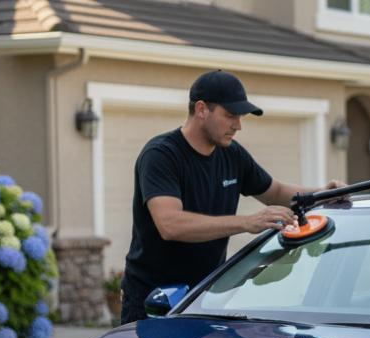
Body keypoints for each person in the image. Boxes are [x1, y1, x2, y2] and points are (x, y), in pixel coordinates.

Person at [119, 70, 346, 324]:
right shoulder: (161, 155)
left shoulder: (232, 154)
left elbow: (277, 191)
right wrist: (247, 222)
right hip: (153, 302)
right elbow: (170, 224)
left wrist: (323, 194)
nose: (238, 125)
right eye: (230, 116)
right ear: (202, 109)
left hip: (205, 298)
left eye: (239, 117)